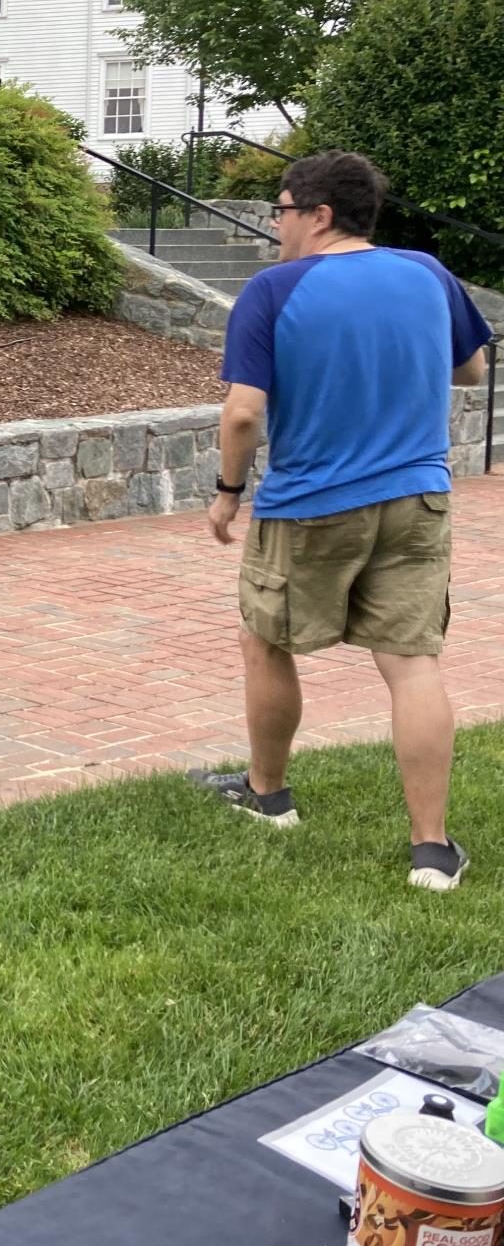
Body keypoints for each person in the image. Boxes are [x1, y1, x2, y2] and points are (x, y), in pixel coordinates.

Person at [194, 150, 492, 890]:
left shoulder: (272, 292)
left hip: (310, 505)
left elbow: (243, 412)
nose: (275, 225)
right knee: (411, 662)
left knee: (264, 640)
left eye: (282, 211)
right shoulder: (428, 274)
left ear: (318, 214)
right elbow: (474, 371)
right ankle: (432, 850)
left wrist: (228, 491)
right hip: (418, 499)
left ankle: (268, 797)